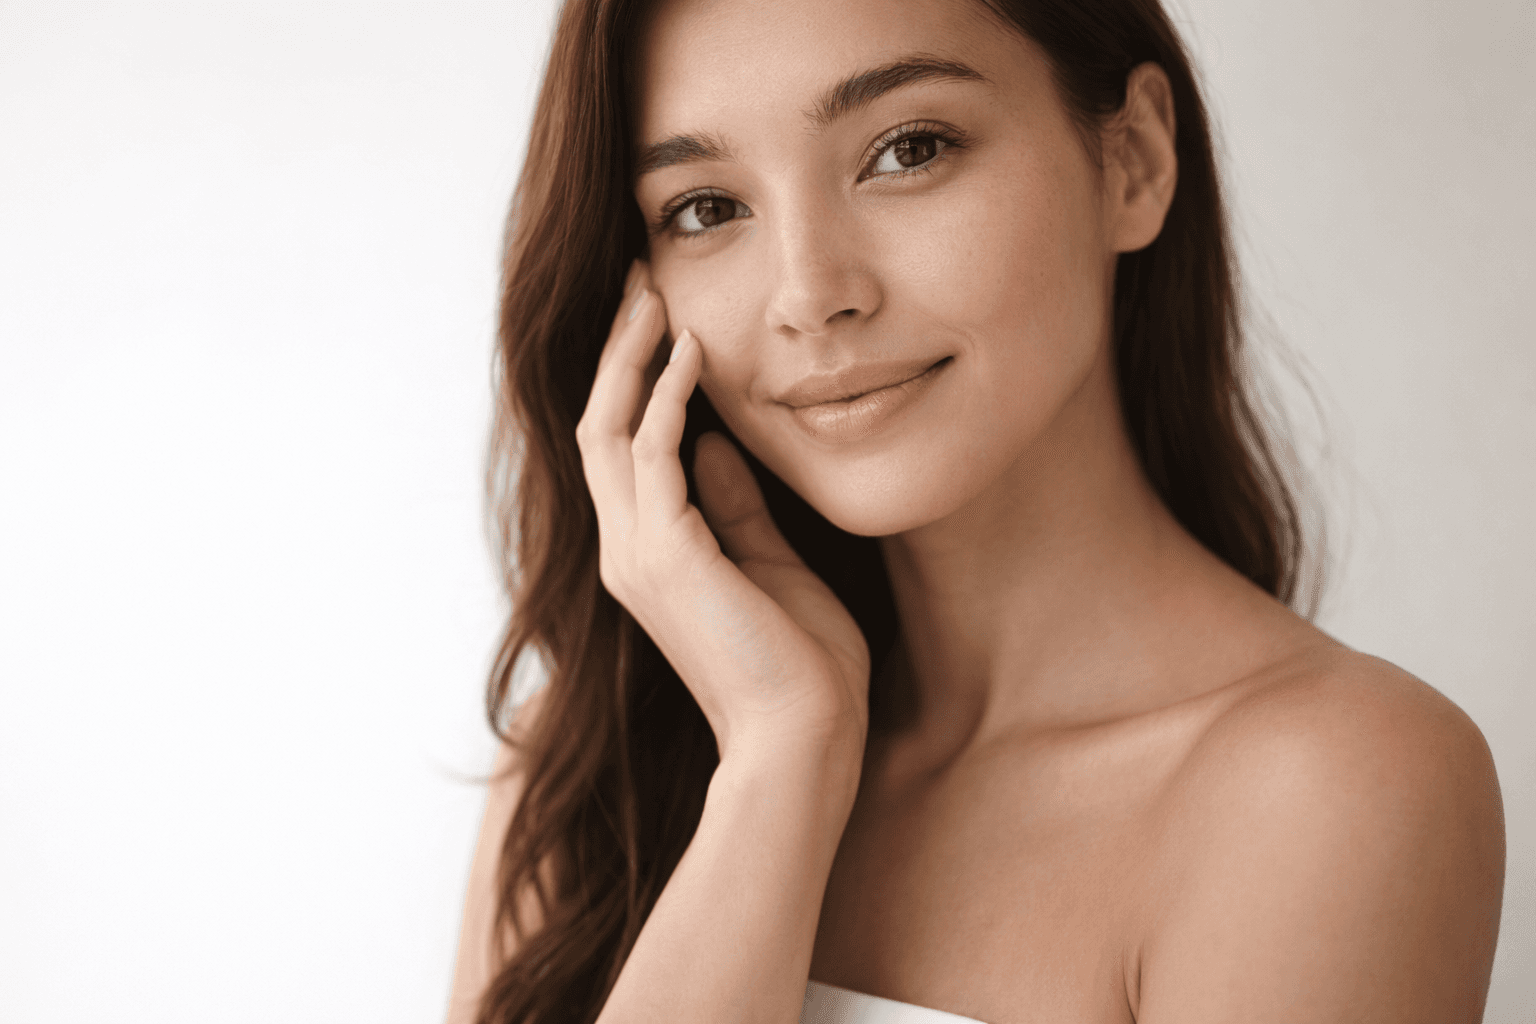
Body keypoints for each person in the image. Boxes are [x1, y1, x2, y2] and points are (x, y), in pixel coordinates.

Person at [446, 0, 1506, 1020]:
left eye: (908, 149)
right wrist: (781, 760)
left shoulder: (1331, 791)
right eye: (707, 209)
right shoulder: (588, 766)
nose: (811, 293)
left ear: (1130, 159)